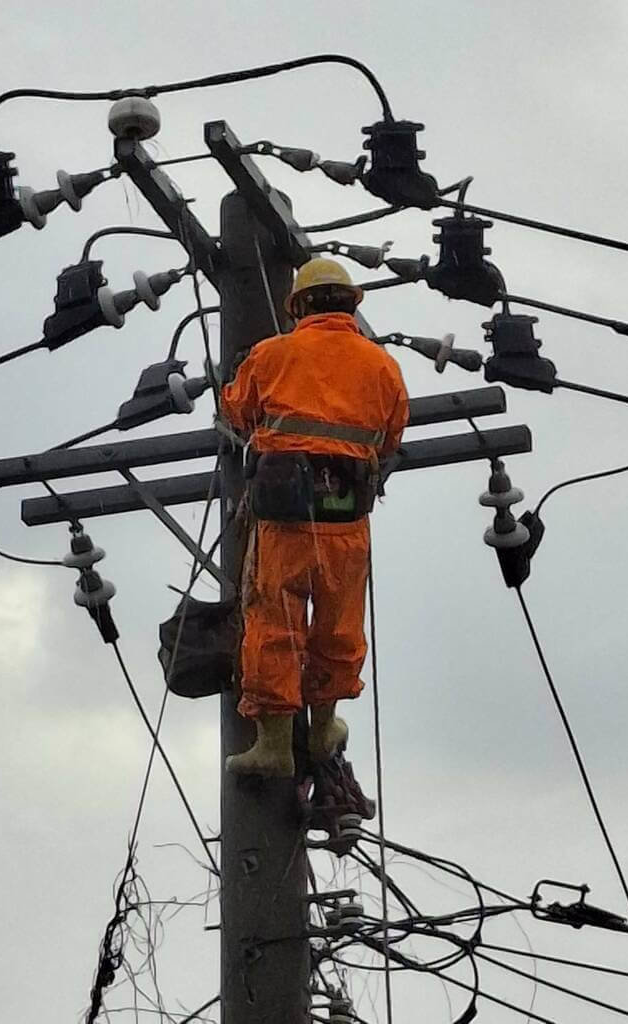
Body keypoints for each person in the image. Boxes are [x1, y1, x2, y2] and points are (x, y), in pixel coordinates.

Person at [220, 257, 409, 778]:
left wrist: (236, 381)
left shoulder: (272, 355)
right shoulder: (382, 366)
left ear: (299, 306)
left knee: (273, 626)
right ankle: (323, 727)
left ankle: (274, 747)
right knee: (338, 629)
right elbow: (391, 436)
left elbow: (236, 411)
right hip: (346, 523)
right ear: (350, 305)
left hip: (284, 522)